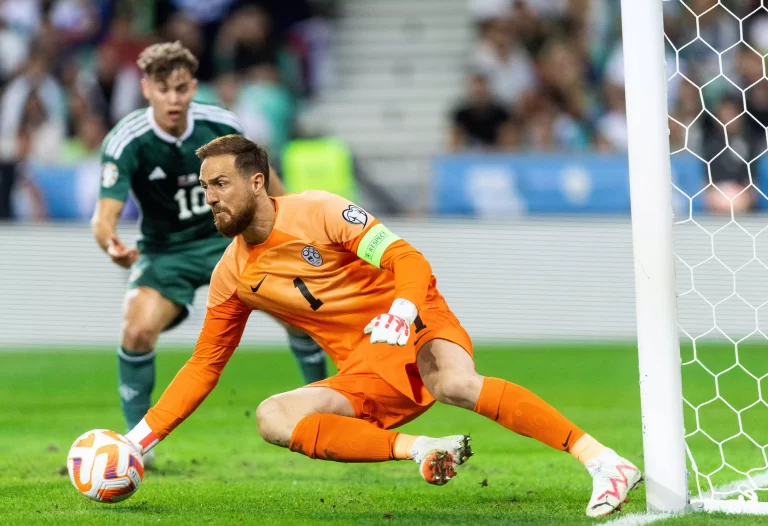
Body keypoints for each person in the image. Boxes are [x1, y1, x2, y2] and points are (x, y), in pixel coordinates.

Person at [125, 135, 642, 518]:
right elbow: (203, 366)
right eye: (205, 187)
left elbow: (406, 258)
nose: (210, 197)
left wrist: (402, 310)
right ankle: (422, 447)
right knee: (273, 416)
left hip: (413, 319)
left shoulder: (320, 212)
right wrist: (137, 441)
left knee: (454, 383)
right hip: (366, 368)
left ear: (256, 182)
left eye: (220, 184)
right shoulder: (233, 276)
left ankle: (602, 460)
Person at [90, 42, 327, 462]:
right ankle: (135, 448)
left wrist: (296, 231)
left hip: (230, 243)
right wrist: (111, 243)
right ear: (147, 89)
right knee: (137, 330)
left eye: (181, 89)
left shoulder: (219, 123)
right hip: (165, 253)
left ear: (193, 86)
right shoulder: (128, 139)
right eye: (164, 89)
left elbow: (267, 182)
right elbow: (104, 214)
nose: (174, 99)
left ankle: (325, 409)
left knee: (301, 316)